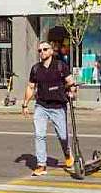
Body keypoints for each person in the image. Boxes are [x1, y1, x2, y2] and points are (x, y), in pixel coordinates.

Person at [22, 41, 76, 176]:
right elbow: (30, 87)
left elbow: (71, 82)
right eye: (39, 50)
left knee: (63, 136)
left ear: (51, 51)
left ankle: (68, 154)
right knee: (39, 135)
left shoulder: (60, 66)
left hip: (58, 106)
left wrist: (72, 92)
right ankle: (41, 164)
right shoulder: (36, 69)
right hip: (41, 106)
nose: (42, 52)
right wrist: (25, 104)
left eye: (45, 49)